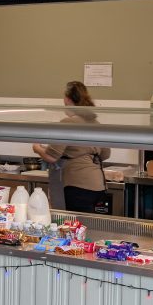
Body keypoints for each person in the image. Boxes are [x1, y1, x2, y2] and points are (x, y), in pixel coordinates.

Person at [32, 81, 111, 213]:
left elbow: (51, 156)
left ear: (68, 99)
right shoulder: (95, 123)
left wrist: (37, 148)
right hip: (98, 185)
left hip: (78, 185)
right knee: (91, 223)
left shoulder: (68, 122)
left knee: (75, 223)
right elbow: (105, 154)